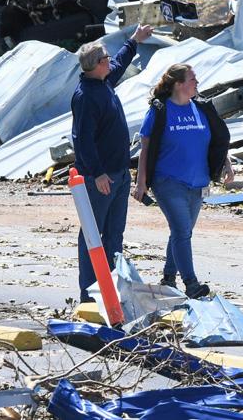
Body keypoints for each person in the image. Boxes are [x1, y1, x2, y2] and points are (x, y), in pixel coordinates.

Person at [133, 63, 233, 300]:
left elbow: (215, 141)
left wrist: (226, 164)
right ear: (178, 84)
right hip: (168, 181)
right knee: (181, 231)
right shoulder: (160, 111)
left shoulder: (201, 108)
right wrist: (141, 182)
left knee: (182, 232)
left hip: (197, 182)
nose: (197, 83)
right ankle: (191, 283)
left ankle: (169, 277)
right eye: (192, 79)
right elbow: (145, 149)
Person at [70, 24, 153, 303]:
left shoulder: (103, 81)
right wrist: (97, 174)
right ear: (95, 66)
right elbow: (82, 140)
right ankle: (90, 292)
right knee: (93, 235)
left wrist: (134, 40)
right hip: (101, 178)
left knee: (115, 233)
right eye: (105, 59)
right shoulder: (86, 96)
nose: (109, 62)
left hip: (119, 174)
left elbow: (119, 63)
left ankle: (112, 288)